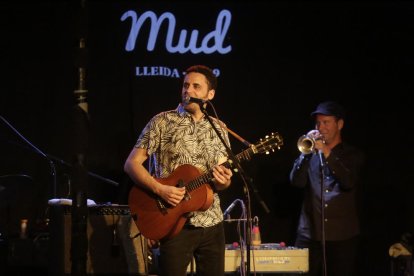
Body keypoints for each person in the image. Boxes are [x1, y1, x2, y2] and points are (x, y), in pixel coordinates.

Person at [124, 65, 233, 276]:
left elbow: (222, 181)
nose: (188, 90)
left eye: (195, 86)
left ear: (209, 95)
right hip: (173, 224)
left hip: (212, 224)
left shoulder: (219, 128)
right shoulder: (162, 122)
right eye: (185, 85)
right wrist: (159, 189)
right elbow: (131, 164)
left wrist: (223, 181)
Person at [289, 101, 365, 276]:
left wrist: (327, 154)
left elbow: (348, 182)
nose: (321, 127)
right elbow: (296, 182)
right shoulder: (310, 154)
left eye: (326, 122)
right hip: (309, 234)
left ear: (340, 124)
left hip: (342, 236)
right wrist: (305, 155)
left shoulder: (353, 155)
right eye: (318, 123)